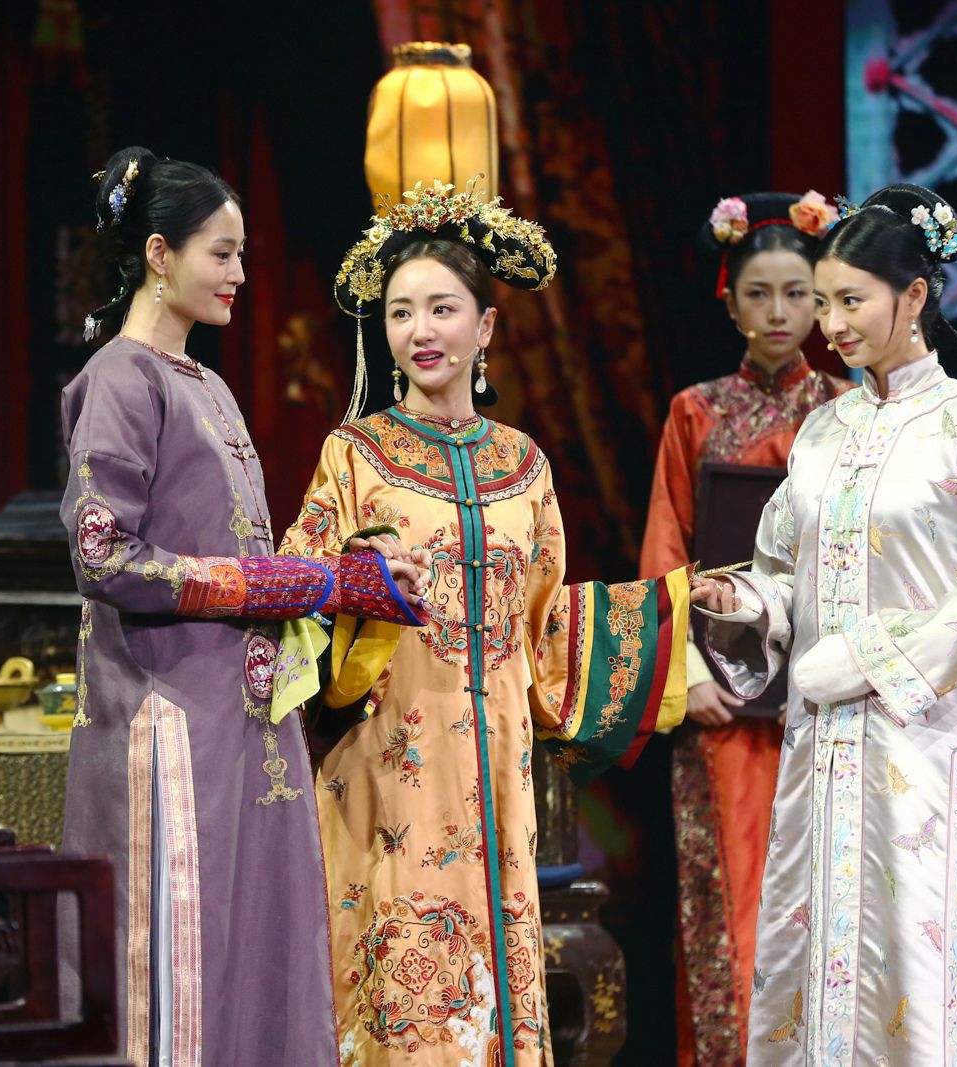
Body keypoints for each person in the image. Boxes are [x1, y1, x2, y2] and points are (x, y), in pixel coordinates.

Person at [279, 177, 691, 1066]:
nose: (419, 330)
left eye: (442, 309)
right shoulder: (355, 455)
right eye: (400, 313)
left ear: (486, 326)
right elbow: (297, 591)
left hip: (498, 770)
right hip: (384, 762)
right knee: (397, 993)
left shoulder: (523, 465)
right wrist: (362, 580)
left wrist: (675, 611)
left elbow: (545, 628)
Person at [60, 146, 426, 1067]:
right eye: (220, 253)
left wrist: (347, 577)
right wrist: (300, 583)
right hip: (167, 713)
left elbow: (247, 552)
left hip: (242, 715)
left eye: (243, 254)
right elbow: (105, 555)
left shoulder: (209, 386)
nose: (239, 274)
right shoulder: (122, 378)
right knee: (186, 950)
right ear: (159, 253)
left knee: (255, 943)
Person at [689, 183, 957, 1066]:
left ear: (914, 295)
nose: (831, 325)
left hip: (922, 744)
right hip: (820, 746)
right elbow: (782, 569)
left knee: (919, 965)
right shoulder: (823, 432)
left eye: (851, 301)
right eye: (825, 303)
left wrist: (869, 658)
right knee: (816, 953)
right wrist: (750, 604)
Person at [640, 190, 850, 1064]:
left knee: (825, 897)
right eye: (759, 294)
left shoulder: (847, 410)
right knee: (730, 900)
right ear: (728, 300)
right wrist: (685, 674)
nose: (778, 313)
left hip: (824, 699)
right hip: (723, 706)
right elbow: (666, 549)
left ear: (823, 301)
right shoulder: (695, 410)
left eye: (797, 294)